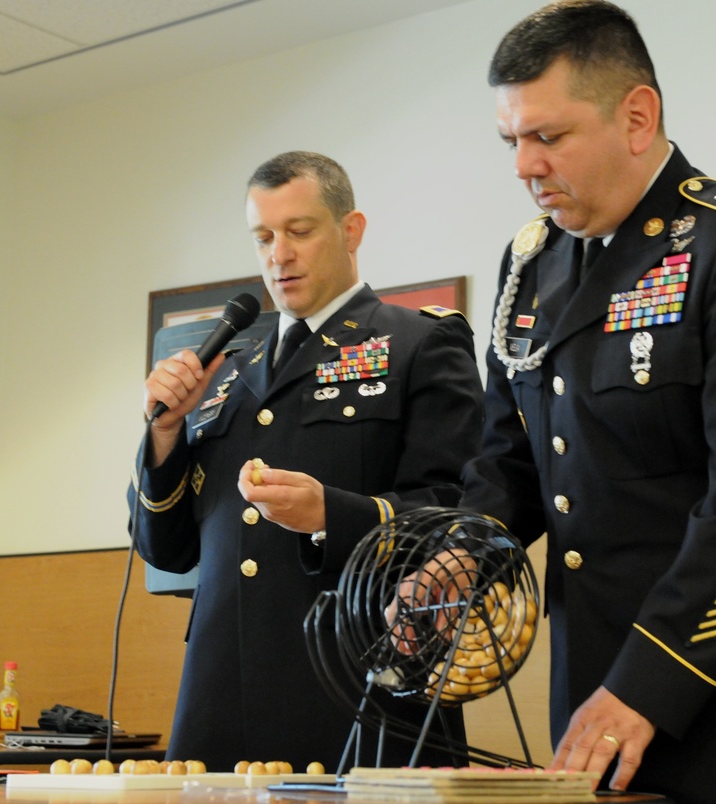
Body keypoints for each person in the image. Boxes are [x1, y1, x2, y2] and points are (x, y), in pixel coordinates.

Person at [397, 3, 716, 803]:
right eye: (511, 141)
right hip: (597, 692)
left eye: (547, 137)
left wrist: (654, 677)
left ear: (637, 117)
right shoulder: (533, 267)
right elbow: (508, 460)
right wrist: (460, 559)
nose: (523, 165)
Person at [128, 151, 484, 772]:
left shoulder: (419, 343)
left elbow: (458, 511)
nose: (278, 255)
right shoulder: (226, 374)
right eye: (263, 237)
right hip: (222, 696)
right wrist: (165, 435)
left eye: (299, 231)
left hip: (355, 686)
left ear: (351, 231)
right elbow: (168, 550)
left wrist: (333, 516)